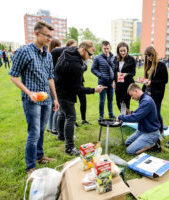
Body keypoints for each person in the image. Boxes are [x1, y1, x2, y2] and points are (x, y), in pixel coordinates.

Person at [9, 21, 59, 176]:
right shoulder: (24, 51)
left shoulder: (48, 55)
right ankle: (31, 167)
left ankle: (40, 156)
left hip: (47, 99)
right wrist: (29, 92)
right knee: (34, 132)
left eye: (51, 36)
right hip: (32, 101)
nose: (49, 39)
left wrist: (55, 99)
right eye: (47, 36)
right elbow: (13, 76)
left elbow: (51, 78)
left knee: (42, 130)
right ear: (37, 34)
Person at [55, 40, 105, 156]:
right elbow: (77, 89)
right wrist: (94, 90)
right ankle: (69, 148)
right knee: (71, 116)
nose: (90, 57)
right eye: (90, 54)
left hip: (60, 85)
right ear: (82, 50)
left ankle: (61, 136)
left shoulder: (70, 50)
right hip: (64, 91)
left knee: (63, 113)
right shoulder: (75, 65)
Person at [117, 83, 161, 154]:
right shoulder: (143, 99)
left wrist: (120, 117)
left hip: (151, 133)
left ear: (136, 91)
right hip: (142, 130)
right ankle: (145, 142)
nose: (132, 98)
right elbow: (139, 113)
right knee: (127, 143)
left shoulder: (146, 101)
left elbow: (135, 118)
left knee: (129, 151)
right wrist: (130, 112)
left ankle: (154, 144)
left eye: (132, 95)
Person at [142, 46, 168, 138]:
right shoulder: (148, 65)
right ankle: (149, 130)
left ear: (153, 54)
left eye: (149, 55)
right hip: (147, 93)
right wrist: (142, 88)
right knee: (147, 113)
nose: (148, 58)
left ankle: (160, 132)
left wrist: (151, 82)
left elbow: (165, 81)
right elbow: (146, 80)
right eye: (146, 56)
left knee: (156, 114)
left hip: (157, 94)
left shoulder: (161, 65)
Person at [91, 41, 116, 121]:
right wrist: (100, 75)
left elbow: (115, 69)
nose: (106, 50)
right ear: (102, 48)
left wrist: (114, 80)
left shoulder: (113, 57)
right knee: (102, 100)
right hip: (102, 83)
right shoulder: (97, 58)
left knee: (110, 100)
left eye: (107, 48)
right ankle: (101, 115)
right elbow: (93, 69)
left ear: (110, 48)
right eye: (104, 48)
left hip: (111, 83)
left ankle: (111, 114)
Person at [113, 42, 136, 114]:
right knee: (118, 102)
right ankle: (126, 115)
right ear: (118, 51)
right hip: (118, 84)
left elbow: (133, 73)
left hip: (127, 84)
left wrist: (125, 74)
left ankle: (125, 119)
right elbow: (114, 72)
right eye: (121, 51)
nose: (122, 53)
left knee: (126, 102)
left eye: (124, 51)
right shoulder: (115, 59)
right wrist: (113, 81)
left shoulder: (131, 59)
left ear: (127, 50)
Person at [46, 39, 62, 135]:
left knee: (52, 106)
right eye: (58, 47)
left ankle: (50, 127)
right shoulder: (53, 58)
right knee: (56, 106)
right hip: (53, 83)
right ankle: (54, 128)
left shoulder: (49, 56)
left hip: (50, 83)